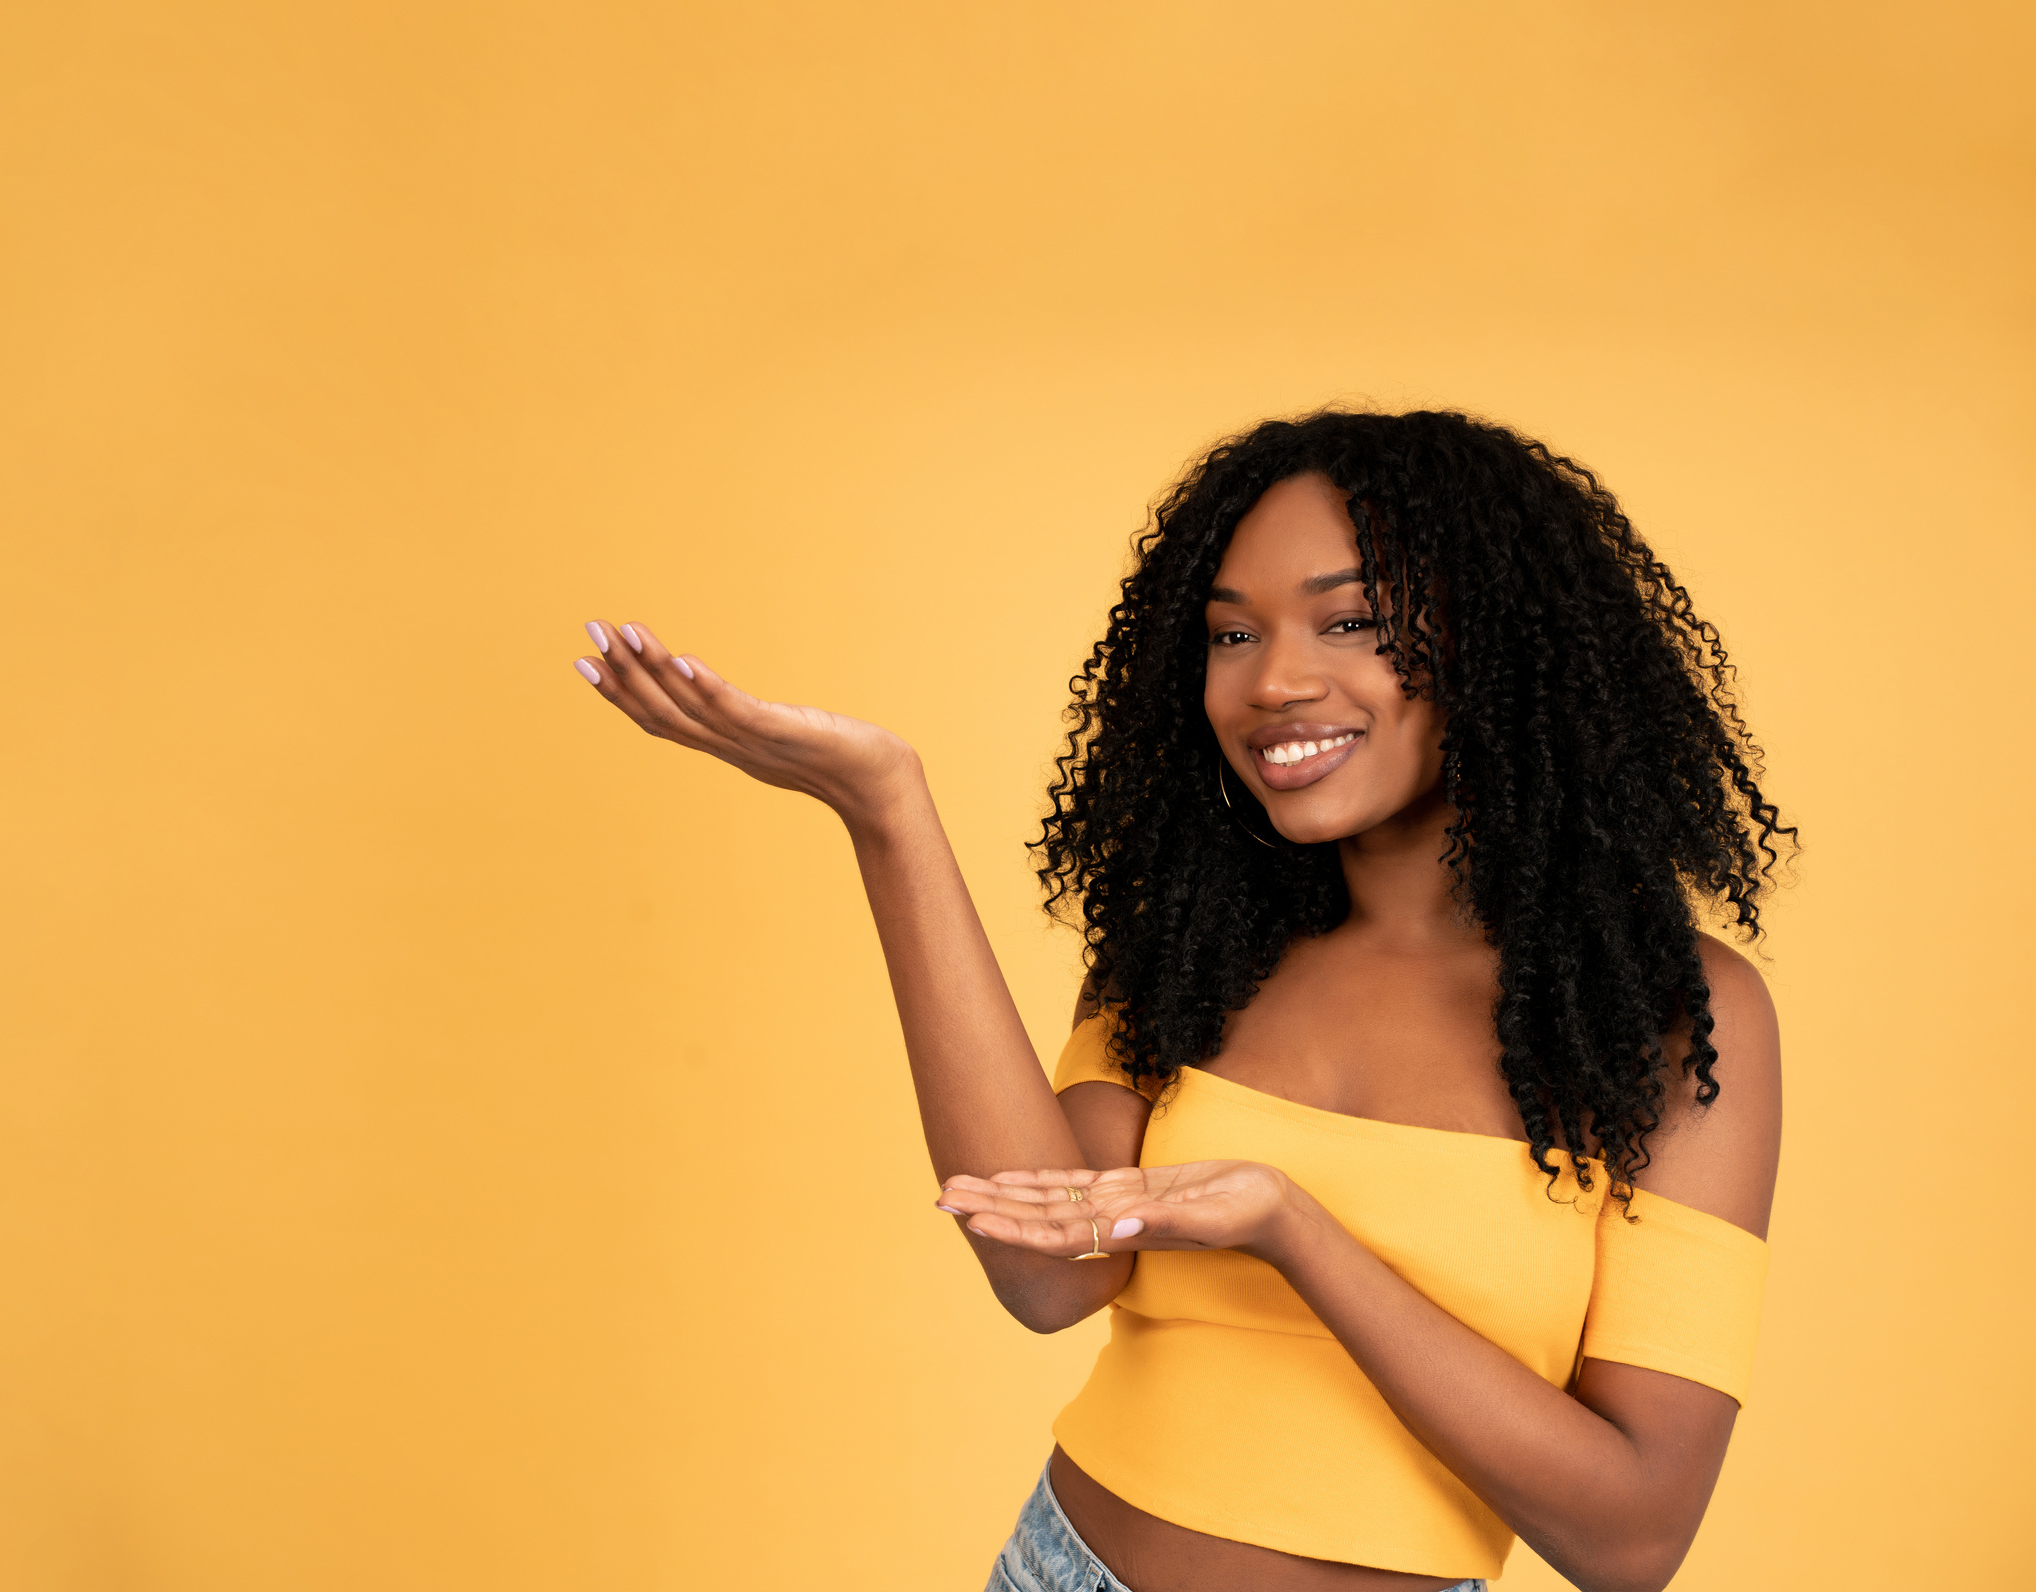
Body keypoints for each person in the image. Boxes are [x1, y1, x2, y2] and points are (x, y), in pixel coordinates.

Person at [570, 409, 1791, 1592]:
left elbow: (1632, 1538)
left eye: (1349, 619)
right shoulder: (1203, 947)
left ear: (1502, 644)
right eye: (1229, 634)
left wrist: (1293, 1229)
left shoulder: (1669, 1011)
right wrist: (886, 811)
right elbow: (1046, 1275)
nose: (1272, 682)